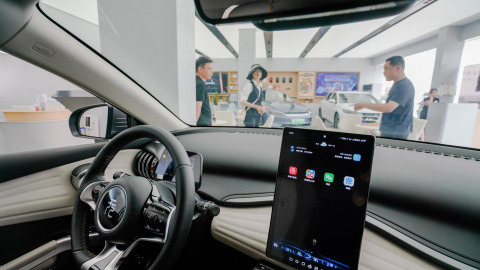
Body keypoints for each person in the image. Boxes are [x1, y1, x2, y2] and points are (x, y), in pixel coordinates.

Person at [354, 56, 415, 139]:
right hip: (392, 129)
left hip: (396, 132)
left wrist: (364, 104)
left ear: (398, 68)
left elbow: (388, 108)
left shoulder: (403, 86)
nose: (384, 72)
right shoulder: (397, 85)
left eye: (386, 69)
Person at [196, 57, 213, 126]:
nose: (212, 72)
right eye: (209, 69)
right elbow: (197, 111)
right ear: (200, 69)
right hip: (201, 125)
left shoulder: (196, 82)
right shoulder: (200, 84)